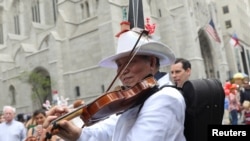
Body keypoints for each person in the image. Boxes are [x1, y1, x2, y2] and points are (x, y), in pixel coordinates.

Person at [41, 28, 186, 141]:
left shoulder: (165, 98)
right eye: (119, 65)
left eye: (130, 62)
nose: (122, 71)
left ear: (152, 62)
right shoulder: (136, 100)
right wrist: (77, 134)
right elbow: (108, 130)